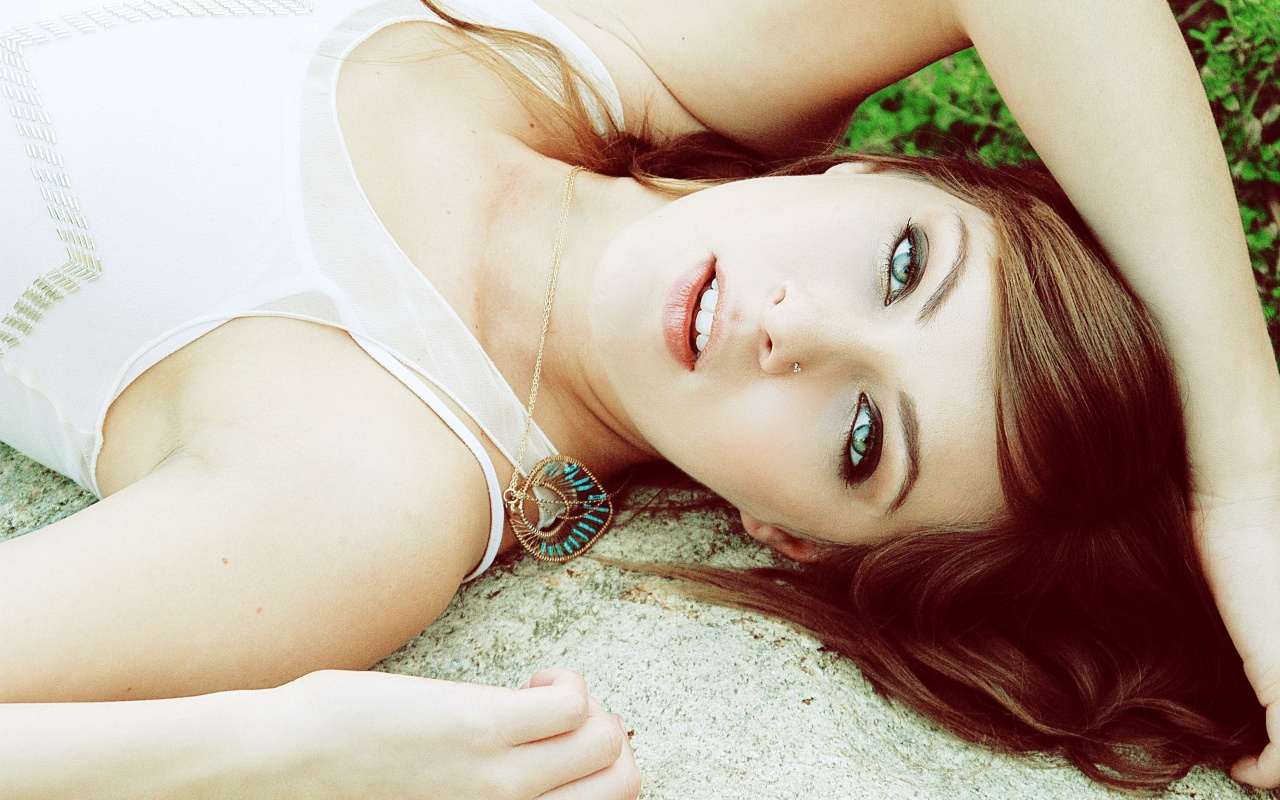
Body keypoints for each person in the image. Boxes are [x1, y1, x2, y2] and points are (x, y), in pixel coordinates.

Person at [0, 0, 1273, 797]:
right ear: (867, 171)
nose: (795, 327)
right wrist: (1246, 463)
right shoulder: (622, 54)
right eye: (901, 263)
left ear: (790, 534)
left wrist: (270, 753)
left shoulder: (374, 479)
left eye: (861, 435)